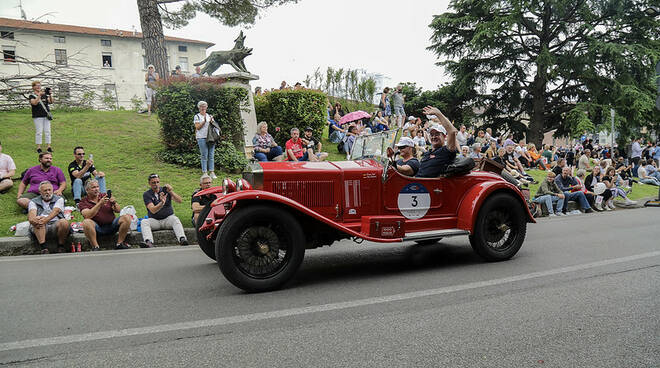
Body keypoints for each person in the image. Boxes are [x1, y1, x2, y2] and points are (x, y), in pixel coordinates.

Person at [78, 179, 132, 250]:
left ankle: (120, 243)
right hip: (97, 228)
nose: (96, 189)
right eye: (93, 187)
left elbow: (118, 210)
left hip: (111, 225)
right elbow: (87, 215)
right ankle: (95, 246)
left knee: (127, 217)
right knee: (86, 222)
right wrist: (100, 204)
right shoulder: (83, 202)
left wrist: (114, 202)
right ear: (87, 190)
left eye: (97, 187)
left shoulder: (104, 196)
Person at [140, 174, 188, 248]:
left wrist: (171, 191)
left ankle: (182, 239)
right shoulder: (147, 194)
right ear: (149, 183)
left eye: (157, 182)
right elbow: (153, 210)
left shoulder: (165, 191)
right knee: (144, 222)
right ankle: (148, 242)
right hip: (155, 220)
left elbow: (179, 201)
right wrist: (162, 203)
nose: (156, 184)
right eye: (153, 183)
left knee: (175, 219)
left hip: (168, 219)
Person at [27, 181, 70, 254]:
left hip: (55, 225)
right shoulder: (33, 201)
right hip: (41, 226)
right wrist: (35, 220)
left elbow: (56, 211)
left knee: (64, 222)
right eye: (45, 190)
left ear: (52, 191)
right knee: (38, 221)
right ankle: (43, 248)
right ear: (40, 192)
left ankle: (61, 246)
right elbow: (32, 214)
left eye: (49, 190)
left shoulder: (59, 199)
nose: (48, 192)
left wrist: (45, 220)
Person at [416, 106, 458, 178]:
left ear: (444, 136)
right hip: (416, 183)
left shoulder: (446, 151)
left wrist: (438, 114)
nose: (433, 137)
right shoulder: (427, 153)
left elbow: (452, 132)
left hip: (430, 186)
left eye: (437, 134)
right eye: (431, 134)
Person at [193, 101, 217, 178]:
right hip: (201, 137)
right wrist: (204, 122)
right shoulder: (197, 116)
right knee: (204, 155)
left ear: (206, 107)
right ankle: (204, 172)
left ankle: (212, 172)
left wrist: (212, 121)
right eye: (201, 106)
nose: (203, 108)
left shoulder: (209, 116)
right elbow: (197, 127)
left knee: (211, 155)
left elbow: (214, 126)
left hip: (210, 138)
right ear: (199, 107)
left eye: (204, 106)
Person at [29, 80, 53, 153]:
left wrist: (50, 94)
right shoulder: (32, 96)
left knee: (48, 131)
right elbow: (34, 103)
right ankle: (39, 147)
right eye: (37, 85)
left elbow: (51, 101)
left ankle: (48, 146)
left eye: (40, 85)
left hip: (46, 115)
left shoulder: (44, 95)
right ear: (33, 87)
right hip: (38, 116)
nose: (39, 86)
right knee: (39, 132)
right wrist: (39, 95)